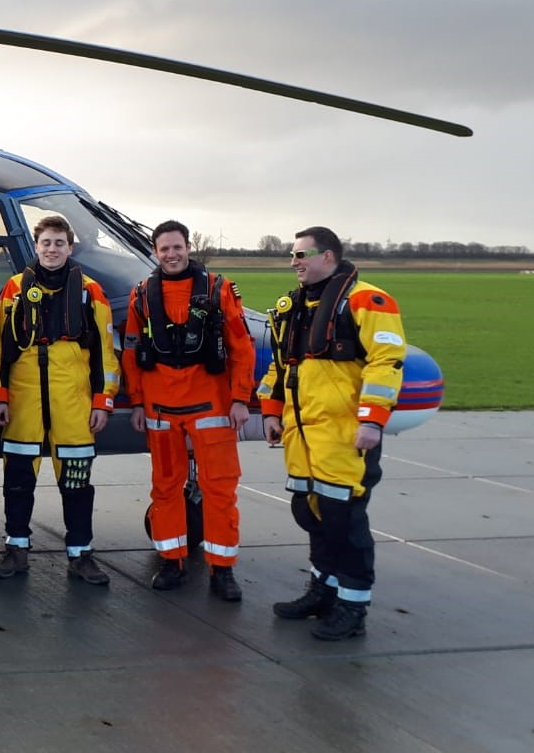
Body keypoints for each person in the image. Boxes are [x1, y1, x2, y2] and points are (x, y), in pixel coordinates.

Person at [260, 226, 406, 640]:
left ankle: (353, 607)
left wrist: (371, 421)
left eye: (302, 255)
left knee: (345, 521)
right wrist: (271, 412)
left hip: (345, 436)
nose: (294, 262)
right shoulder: (292, 306)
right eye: (293, 255)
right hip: (301, 435)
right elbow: (279, 365)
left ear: (329, 257)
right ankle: (322, 590)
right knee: (310, 512)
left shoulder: (366, 301)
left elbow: (386, 363)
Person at [122, 221, 254, 600]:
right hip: (160, 408)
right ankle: (171, 559)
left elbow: (241, 347)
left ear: (188, 247)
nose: (171, 254)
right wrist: (136, 401)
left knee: (219, 490)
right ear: (154, 252)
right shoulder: (142, 295)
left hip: (211, 407)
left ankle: (222, 569)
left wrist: (240, 399)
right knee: (165, 489)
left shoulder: (218, 289)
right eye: (164, 249)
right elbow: (131, 351)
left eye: (177, 247)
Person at [0, 214, 118, 585]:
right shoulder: (13, 288)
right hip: (23, 401)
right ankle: (16, 549)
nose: (53, 249)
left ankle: (81, 554)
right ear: (36, 246)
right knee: (17, 479)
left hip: (73, 402)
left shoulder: (91, 291)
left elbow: (106, 355)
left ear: (70, 247)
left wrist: (102, 401)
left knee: (76, 481)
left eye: (60, 243)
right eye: (46, 242)